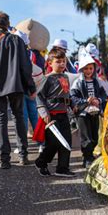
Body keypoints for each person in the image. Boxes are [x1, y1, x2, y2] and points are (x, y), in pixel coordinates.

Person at [0, 11, 36, 169]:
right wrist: (30, 86)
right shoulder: (16, 40)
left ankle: (5, 160)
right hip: (15, 85)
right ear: (8, 23)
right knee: (18, 117)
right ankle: (23, 155)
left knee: (0, 120)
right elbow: (25, 66)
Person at [34, 48, 75, 177]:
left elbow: (67, 95)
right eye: (58, 61)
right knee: (53, 143)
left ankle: (62, 168)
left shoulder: (65, 77)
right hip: (52, 116)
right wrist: (45, 114)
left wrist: (73, 105)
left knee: (66, 141)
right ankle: (42, 161)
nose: (62, 64)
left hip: (64, 115)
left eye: (64, 61)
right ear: (50, 63)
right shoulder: (47, 79)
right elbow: (39, 97)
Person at [71, 51, 107, 168]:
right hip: (83, 114)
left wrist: (98, 101)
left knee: (95, 137)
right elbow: (74, 98)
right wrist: (86, 101)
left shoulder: (97, 82)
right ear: (82, 69)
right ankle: (87, 158)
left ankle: (90, 155)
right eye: (86, 69)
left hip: (94, 113)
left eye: (91, 68)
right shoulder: (77, 83)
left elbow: (103, 95)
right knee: (86, 138)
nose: (88, 71)